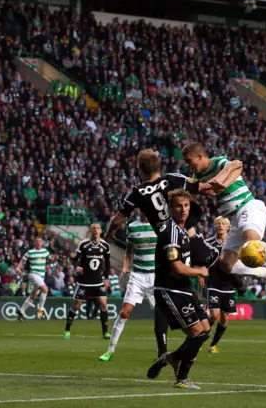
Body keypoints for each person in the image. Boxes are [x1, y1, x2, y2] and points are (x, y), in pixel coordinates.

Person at [103, 149, 211, 359]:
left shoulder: (137, 191)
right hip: (183, 236)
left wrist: (109, 234)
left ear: (140, 169)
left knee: (174, 296)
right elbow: (206, 188)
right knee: (194, 319)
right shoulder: (172, 179)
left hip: (165, 241)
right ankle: (172, 356)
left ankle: (169, 355)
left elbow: (117, 220)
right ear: (158, 165)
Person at [181, 142, 266, 293]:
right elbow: (200, 192)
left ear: (200, 157)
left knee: (252, 242)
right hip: (232, 219)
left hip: (247, 206)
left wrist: (221, 181)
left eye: (189, 160)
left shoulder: (217, 162)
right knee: (226, 264)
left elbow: (236, 165)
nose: (188, 165)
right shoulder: (197, 177)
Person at [146, 189, 211, 389]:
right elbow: (176, 267)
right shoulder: (170, 231)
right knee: (197, 332)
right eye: (178, 206)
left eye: (186, 205)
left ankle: (172, 357)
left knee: (206, 330)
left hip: (183, 289)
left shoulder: (183, 230)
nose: (183, 210)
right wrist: (199, 271)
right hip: (169, 289)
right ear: (170, 208)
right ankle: (181, 378)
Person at [100, 215, 157, 361]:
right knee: (124, 312)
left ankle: (193, 337)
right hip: (137, 275)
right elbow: (129, 250)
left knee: (165, 314)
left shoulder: (159, 224)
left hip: (155, 277)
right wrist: (125, 266)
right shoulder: (132, 227)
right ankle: (110, 350)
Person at [64, 223, 111, 339]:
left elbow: (108, 263)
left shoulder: (105, 245)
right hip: (84, 281)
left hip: (98, 281)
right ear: (90, 231)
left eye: (98, 228)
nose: (95, 230)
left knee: (104, 304)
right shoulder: (83, 244)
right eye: (93, 228)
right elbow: (74, 259)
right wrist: (77, 266)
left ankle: (105, 332)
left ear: (101, 231)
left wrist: (106, 278)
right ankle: (67, 330)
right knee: (76, 305)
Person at [203, 216, 238, 353]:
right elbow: (202, 259)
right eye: (218, 223)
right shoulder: (208, 242)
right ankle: (200, 337)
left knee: (225, 317)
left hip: (229, 284)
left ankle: (213, 344)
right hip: (214, 282)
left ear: (228, 227)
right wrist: (201, 273)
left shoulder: (234, 243)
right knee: (214, 315)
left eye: (223, 224)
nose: (220, 226)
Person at [16, 237, 50, 321]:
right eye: (37, 241)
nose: (38, 243)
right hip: (33, 274)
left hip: (42, 276)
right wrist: (18, 268)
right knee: (45, 290)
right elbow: (22, 261)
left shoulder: (45, 251)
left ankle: (21, 311)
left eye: (40, 241)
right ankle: (40, 310)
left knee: (33, 295)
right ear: (34, 243)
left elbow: (50, 259)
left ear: (42, 243)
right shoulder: (30, 252)